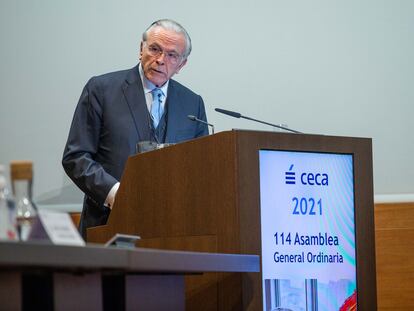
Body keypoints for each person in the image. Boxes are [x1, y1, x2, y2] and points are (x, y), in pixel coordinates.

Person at [62, 19, 209, 239]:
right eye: (154, 49)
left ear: (182, 64)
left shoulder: (192, 103)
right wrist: (116, 194)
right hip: (108, 224)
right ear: (141, 49)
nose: (161, 60)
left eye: (172, 55)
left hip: (171, 232)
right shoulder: (101, 90)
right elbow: (76, 157)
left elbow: (199, 169)